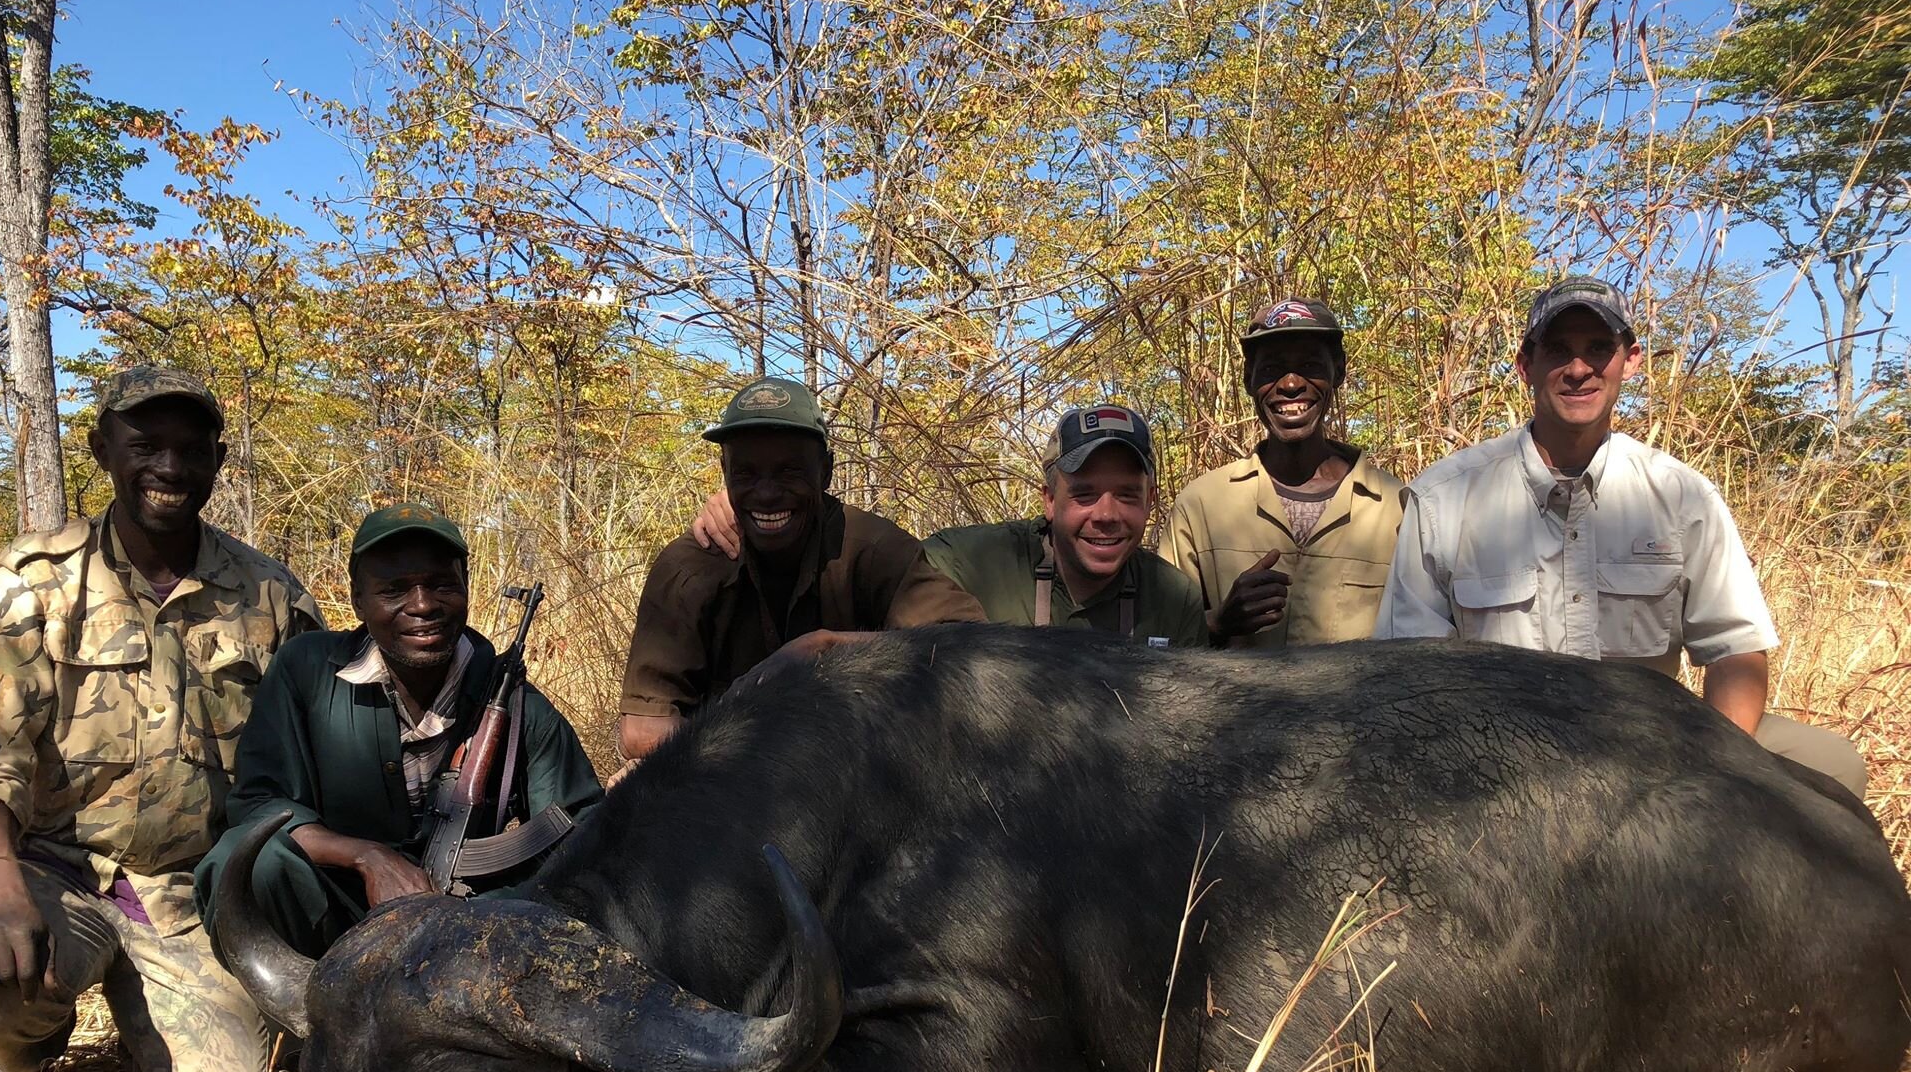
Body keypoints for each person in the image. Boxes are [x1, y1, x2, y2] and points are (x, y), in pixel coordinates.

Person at [0, 366, 324, 1072]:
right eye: (145, 446)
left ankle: (152, 1018)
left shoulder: (272, 597)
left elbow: (308, 766)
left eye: (190, 450)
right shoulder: (37, 582)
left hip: (185, 891)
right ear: (102, 450)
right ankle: (26, 1048)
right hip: (50, 869)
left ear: (217, 461)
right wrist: (0, 894)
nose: (169, 468)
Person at [1375, 274, 1868, 798]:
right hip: (1503, 753)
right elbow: (1410, 672)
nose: (1579, 369)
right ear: (1526, 365)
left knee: (1833, 766)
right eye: (1558, 350)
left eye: (1599, 349)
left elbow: (1735, 651)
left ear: (1630, 360)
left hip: (1653, 747)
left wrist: (1713, 773)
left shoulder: (1682, 497)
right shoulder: (1444, 496)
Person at [196, 504, 603, 956]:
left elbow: (585, 831)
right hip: (340, 917)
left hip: (476, 929)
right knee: (249, 859)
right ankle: (302, 1008)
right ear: (358, 601)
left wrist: (491, 913)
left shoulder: (514, 703)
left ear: (467, 588)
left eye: (441, 585)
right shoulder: (305, 670)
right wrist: (366, 857)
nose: (424, 605)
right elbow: (259, 804)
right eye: (393, 590)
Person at [617, 377, 985, 763]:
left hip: (863, 772)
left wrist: (825, 650)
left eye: (789, 471)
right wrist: (760, 745)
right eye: (745, 474)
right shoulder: (690, 568)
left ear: (825, 472)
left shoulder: (873, 548)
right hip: (730, 785)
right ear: (724, 472)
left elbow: (970, 647)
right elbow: (642, 732)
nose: (767, 493)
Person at [695, 404, 1206, 645]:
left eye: (1128, 497)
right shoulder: (973, 562)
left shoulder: (1172, 597)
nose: (1107, 516)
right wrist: (755, 510)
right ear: (1049, 500)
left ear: (1150, 503)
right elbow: (863, 561)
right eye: (1085, 494)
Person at [1161, 299, 1402, 647]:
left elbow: (1420, 645)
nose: (1290, 384)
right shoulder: (1200, 507)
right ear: (1248, 381)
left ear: (1339, 371)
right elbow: (1157, 645)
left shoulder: (1395, 508)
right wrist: (1217, 623)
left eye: (1309, 365)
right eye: (1271, 369)